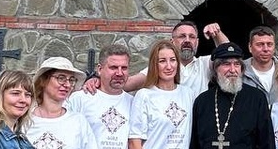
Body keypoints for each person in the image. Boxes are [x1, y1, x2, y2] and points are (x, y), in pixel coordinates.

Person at [82, 20, 228, 100]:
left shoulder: (204, 64)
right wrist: (97, 80)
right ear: (172, 41)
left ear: (197, 42)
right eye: (182, 36)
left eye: (192, 37)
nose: (187, 40)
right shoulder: (160, 67)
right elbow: (126, 84)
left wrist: (217, 33)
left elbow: (227, 55)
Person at [242, 25, 278, 104]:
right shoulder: (240, 70)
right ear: (250, 47)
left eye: (269, 44)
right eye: (260, 44)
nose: (265, 49)